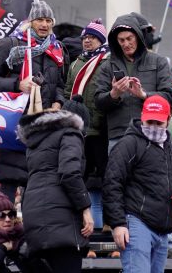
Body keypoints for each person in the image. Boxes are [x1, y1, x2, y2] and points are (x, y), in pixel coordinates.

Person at [0, 1, 68, 200]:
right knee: (7, 197)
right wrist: (18, 84)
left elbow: (62, 84)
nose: (44, 24)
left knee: (38, 192)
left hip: (44, 128)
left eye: (48, 20)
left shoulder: (57, 49)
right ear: (31, 22)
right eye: (40, 20)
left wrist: (58, 102)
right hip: (15, 126)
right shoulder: (11, 44)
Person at [102, 96, 172, 273]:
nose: (154, 126)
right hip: (136, 223)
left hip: (163, 230)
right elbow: (112, 183)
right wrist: (118, 223)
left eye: (158, 122)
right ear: (142, 116)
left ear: (168, 120)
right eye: (150, 121)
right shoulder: (129, 143)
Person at [18, 109, 93, 272]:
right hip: (61, 220)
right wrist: (86, 209)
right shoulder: (71, 134)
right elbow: (69, 173)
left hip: (34, 216)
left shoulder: (34, 142)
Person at [94, 15, 172, 152]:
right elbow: (98, 103)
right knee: (118, 174)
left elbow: (170, 97)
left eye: (129, 38)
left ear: (138, 36)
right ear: (116, 41)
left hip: (152, 133)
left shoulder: (158, 61)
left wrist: (144, 95)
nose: (126, 44)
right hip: (119, 135)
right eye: (121, 40)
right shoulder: (107, 67)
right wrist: (114, 94)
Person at [63, 19, 110, 229]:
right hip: (79, 130)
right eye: (85, 37)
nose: (87, 41)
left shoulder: (108, 62)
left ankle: (108, 222)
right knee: (80, 176)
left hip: (100, 129)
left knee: (106, 177)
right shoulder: (76, 63)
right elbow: (67, 91)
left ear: (100, 40)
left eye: (91, 37)